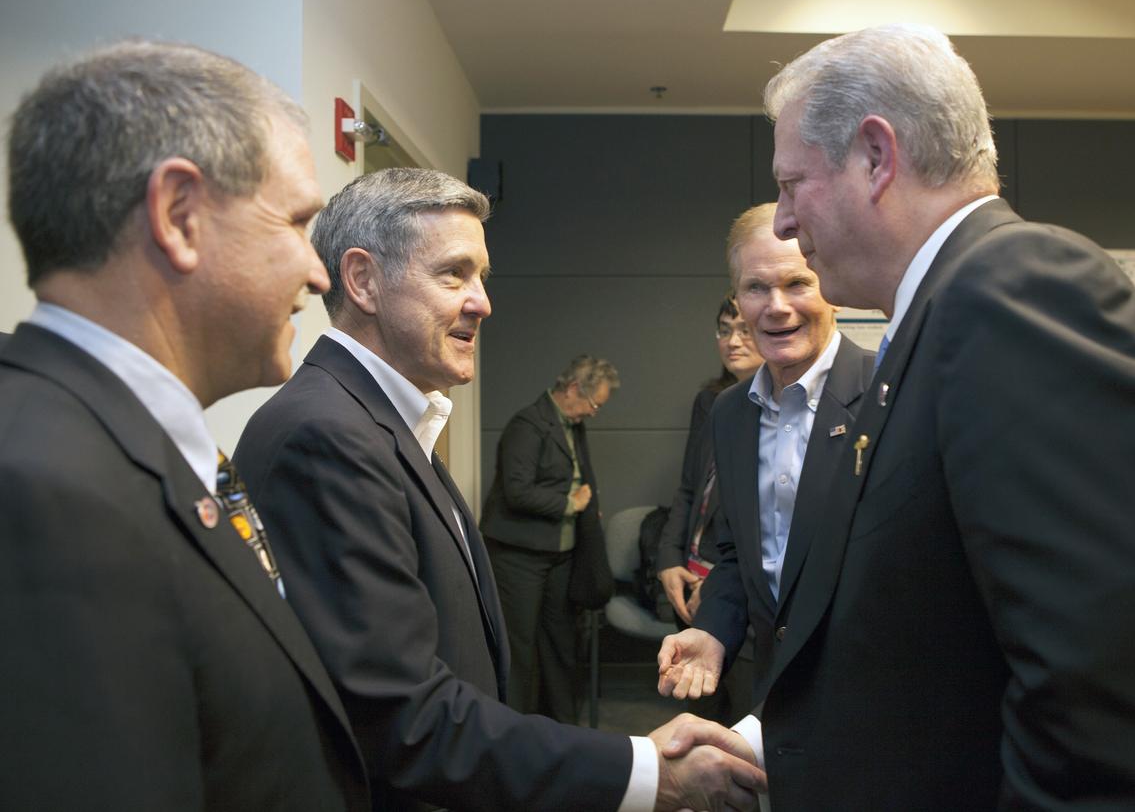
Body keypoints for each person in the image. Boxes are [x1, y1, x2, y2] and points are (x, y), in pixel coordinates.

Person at [660, 24, 1135, 809]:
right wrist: (766, 740)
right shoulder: (942, 316)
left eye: (790, 183)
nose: (780, 221)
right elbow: (941, 636)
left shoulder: (1017, 289)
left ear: (876, 156)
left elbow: (1105, 718)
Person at [236, 168, 764, 812]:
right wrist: (648, 771)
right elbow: (403, 720)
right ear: (363, 280)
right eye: (454, 274)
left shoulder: (384, 420)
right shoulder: (325, 434)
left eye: (481, 276)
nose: (482, 301)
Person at [0, 41, 369, 809]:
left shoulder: (122, 444)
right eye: (297, 223)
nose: (318, 271)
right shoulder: (42, 489)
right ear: (178, 215)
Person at [662, 201, 876, 711]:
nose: (776, 305)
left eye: (797, 283)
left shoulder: (888, 393)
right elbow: (739, 556)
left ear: (833, 288)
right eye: (756, 288)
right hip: (772, 691)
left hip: (875, 697)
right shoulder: (730, 413)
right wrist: (714, 632)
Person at [481, 355, 620, 724]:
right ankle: (514, 729)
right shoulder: (527, 424)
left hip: (559, 556)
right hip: (519, 557)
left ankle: (561, 727)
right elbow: (516, 491)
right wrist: (569, 504)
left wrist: (585, 511)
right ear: (574, 389)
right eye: (594, 404)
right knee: (520, 648)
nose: (594, 413)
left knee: (560, 644)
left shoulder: (572, 425)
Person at [655, 293, 763, 723]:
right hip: (691, 577)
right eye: (724, 330)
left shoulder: (784, 408)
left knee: (740, 723)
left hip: (739, 587)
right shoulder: (713, 403)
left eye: (743, 328)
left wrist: (720, 580)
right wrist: (668, 560)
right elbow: (689, 487)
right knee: (699, 713)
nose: (733, 341)